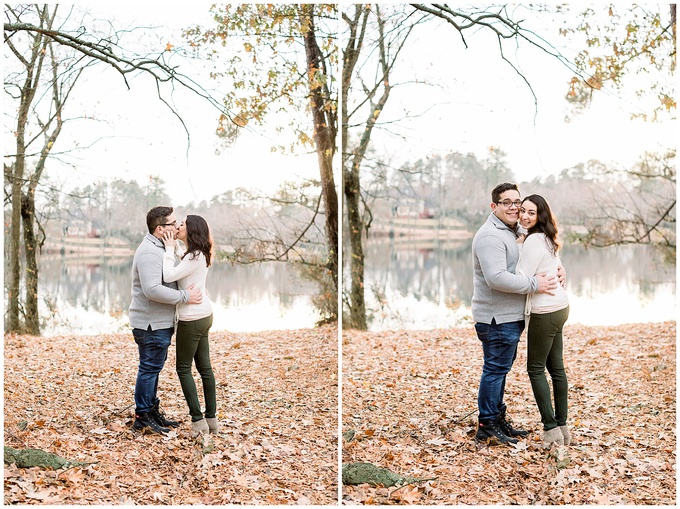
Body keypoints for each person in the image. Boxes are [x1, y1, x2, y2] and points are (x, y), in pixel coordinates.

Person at [471, 182, 558, 445]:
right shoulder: (491, 237)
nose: (513, 207)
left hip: (509, 315)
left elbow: (543, 248)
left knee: (500, 369)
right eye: (506, 202)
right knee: (495, 369)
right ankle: (487, 424)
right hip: (496, 318)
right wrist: (535, 285)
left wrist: (558, 271)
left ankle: (496, 418)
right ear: (494, 206)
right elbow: (496, 278)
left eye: (516, 202)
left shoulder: (512, 231)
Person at [129, 206, 202, 434]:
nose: (177, 225)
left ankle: (151, 411)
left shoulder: (161, 247)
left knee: (153, 368)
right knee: (149, 369)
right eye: (172, 223)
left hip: (158, 322)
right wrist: (185, 297)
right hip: (150, 324)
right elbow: (152, 290)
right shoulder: (150, 252)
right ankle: (142, 415)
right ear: (160, 229)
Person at [517, 195, 570, 447]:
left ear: (541, 215)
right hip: (561, 307)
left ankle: (550, 431)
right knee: (556, 369)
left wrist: (520, 247)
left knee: (535, 368)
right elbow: (553, 266)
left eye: (531, 212)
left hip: (545, 311)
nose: (525, 216)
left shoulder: (533, 240)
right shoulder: (545, 238)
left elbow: (520, 277)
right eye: (523, 211)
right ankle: (562, 427)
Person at [161, 215, 217, 435]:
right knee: (205, 368)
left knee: (183, 368)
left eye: (182, 224)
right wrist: (174, 248)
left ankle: (198, 421)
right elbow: (183, 267)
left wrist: (167, 248)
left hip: (192, 319)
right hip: (204, 315)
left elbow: (168, 275)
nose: (178, 226)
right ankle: (211, 420)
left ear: (191, 230)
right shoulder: (197, 254)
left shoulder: (193, 256)